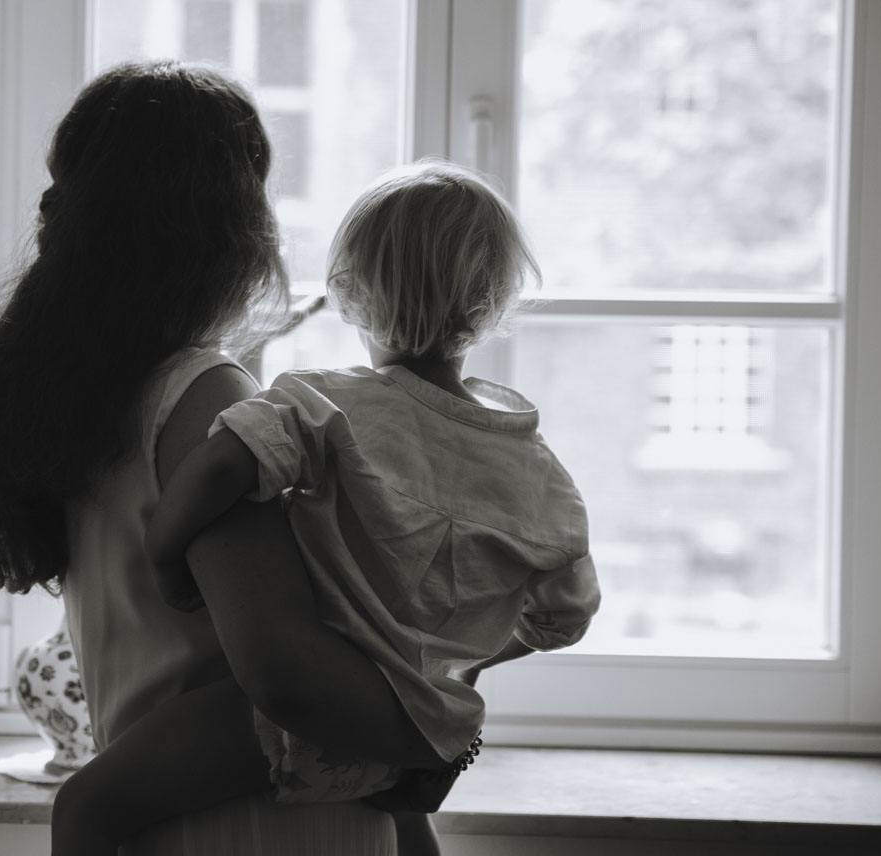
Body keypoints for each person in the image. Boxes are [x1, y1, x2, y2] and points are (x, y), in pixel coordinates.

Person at [0, 61, 448, 854]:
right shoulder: (203, 397)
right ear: (229, 222)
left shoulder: (98, 392)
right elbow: (283, 678)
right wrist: (439, 735)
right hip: (260, 828)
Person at [48, 160, 602, 854]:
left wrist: (164, 553)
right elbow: (565, 617)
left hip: (309, 711)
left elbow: (222, 463)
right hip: (421, 729)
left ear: (348, 291)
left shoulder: (324, 406)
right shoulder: (542, 476)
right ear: (496, 303)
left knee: (88, 807)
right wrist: (463, 662)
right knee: (406, 829)